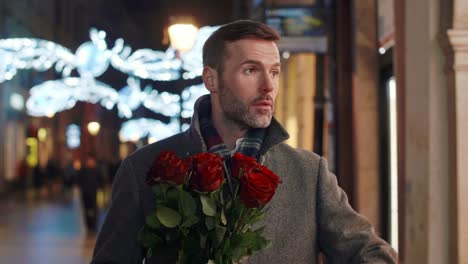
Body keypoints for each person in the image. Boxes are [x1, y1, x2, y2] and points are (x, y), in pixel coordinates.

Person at [92, 20, 398, 263]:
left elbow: (369, 253)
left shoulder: (308, 171)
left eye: (275, 72)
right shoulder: (145, 168)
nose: (268, 87)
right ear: (211, 79)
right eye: (251, 70)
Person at [78, 154, 102, 234]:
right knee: (86, 210)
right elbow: (79, 180)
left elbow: (101, 180)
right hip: (85, 193)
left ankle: (94, 225)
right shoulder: (83, 170)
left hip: (94, 192)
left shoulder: (97, 170)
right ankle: (89, 225)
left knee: (95, 209)